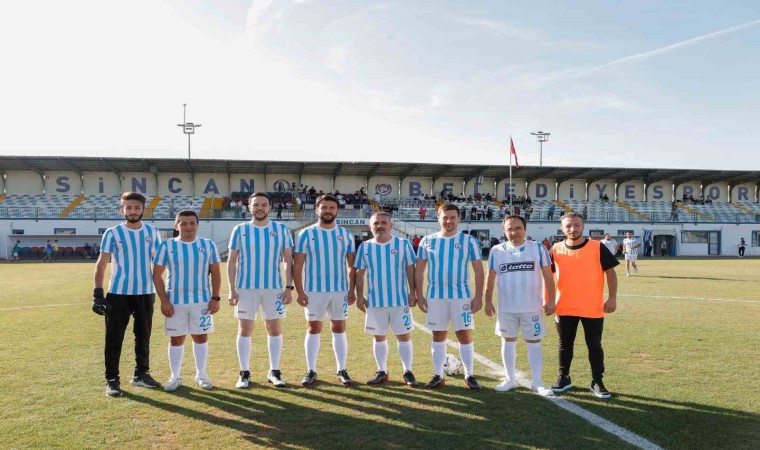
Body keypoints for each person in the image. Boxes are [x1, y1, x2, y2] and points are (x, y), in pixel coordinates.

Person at [92, 192, 162, 397]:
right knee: (114, 338)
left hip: (145, 292)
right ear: (121, 210)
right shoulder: (112, 233)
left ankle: (141, 374)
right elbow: (101, 264)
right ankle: (112, 379)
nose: (132, 211)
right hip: (118, 293)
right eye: (128, 207)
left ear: (144, 210)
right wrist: (98, 293)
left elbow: (160, 262)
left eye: (137, 208)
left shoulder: (152, 231)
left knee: (143, 336)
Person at [415, 204, 484, 391]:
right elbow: (419, 270)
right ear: (438, 218)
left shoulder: (469, 241)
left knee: (464, 334)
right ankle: (438, 375)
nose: (448, 221)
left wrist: (478, 296)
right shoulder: (427, 241)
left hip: (461, 297)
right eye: (444, 217)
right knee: (438, 335)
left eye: (452, 217)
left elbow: (479, 270)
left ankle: (469, 375)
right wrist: (419, 295)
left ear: (459, 218)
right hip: (435, 296)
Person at [228, 192, 294, 388]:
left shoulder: (281, 229)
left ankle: (274, 371)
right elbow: (231, 262)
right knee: (245, 329)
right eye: (256, 204)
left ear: (270, 207)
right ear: (249, 207)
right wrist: (232, 289)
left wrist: (289, 287)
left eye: (264, 205)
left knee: (274, 328)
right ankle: (244, 373)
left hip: (273, 288)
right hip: (246, 288)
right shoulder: (240, 229)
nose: (260, 208)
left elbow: (287, 261)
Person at [550, 212, 619, 399]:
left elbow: (611, 273)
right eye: (568, 226)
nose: (572, 229)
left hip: (592, 307)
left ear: (583, 226)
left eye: (577, 225)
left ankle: (597, 381)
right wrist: (548, 300)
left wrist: (612, 298)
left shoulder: (597, 247)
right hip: (564, 306)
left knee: (594, 345)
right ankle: (564, 378)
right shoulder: (555, 249)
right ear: (562, 228)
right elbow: (547, 276)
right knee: (565, 344)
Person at [485, 215, 556, 396]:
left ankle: (537, 382)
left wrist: (551, 300)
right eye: (509, 229)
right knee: (507, 341)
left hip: (532, 307)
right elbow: (490, 278)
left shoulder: (538, 248)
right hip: (506, 308)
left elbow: (548, 276)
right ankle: (510, 379)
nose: (514, 232)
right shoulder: (496, 250)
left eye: (518, 228)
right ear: (504, 231)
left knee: (534, 342)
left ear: (525, 230)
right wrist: (487, 301)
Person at [153, 210, 221, 391]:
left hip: (202, 301)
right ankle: (175, 376)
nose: (188, 226)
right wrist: (164, 301)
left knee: (201, 337)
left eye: (192, 223)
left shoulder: (208, 245)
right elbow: (157, 275)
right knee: (176, 339)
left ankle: (201, 375)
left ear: (197, 225)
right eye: (183, 223)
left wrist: (215, 298)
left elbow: (216, 272)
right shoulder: (167, 246)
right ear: (176, 226)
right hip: (175, 302)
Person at [294, 194, 356, 386]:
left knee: (339, 327)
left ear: (337, 210)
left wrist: (351, 290)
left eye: (331, 208)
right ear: (317, 210)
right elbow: (298, 265)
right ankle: (311, 370)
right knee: (313, 328)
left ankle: (342, 369)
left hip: (339, 291)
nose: (328, 211)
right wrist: (300, 291)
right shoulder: (306, 234)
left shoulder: (346, 234)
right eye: (324, 208)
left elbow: (351, 266)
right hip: (314, 291)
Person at [353, 212, 418, 386]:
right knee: (379, 337)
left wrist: (413, 292)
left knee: (404, 336)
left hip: (400, 300)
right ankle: (382, 371)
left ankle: (408, 371)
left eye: (383, 222)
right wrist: (359, 296)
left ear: (391, 225)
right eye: (376, 223)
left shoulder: (403, 244)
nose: (379, 226)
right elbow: (360, 273)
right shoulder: (365, 247)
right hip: (375, 301)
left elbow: (410, 269)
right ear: (370, 226)